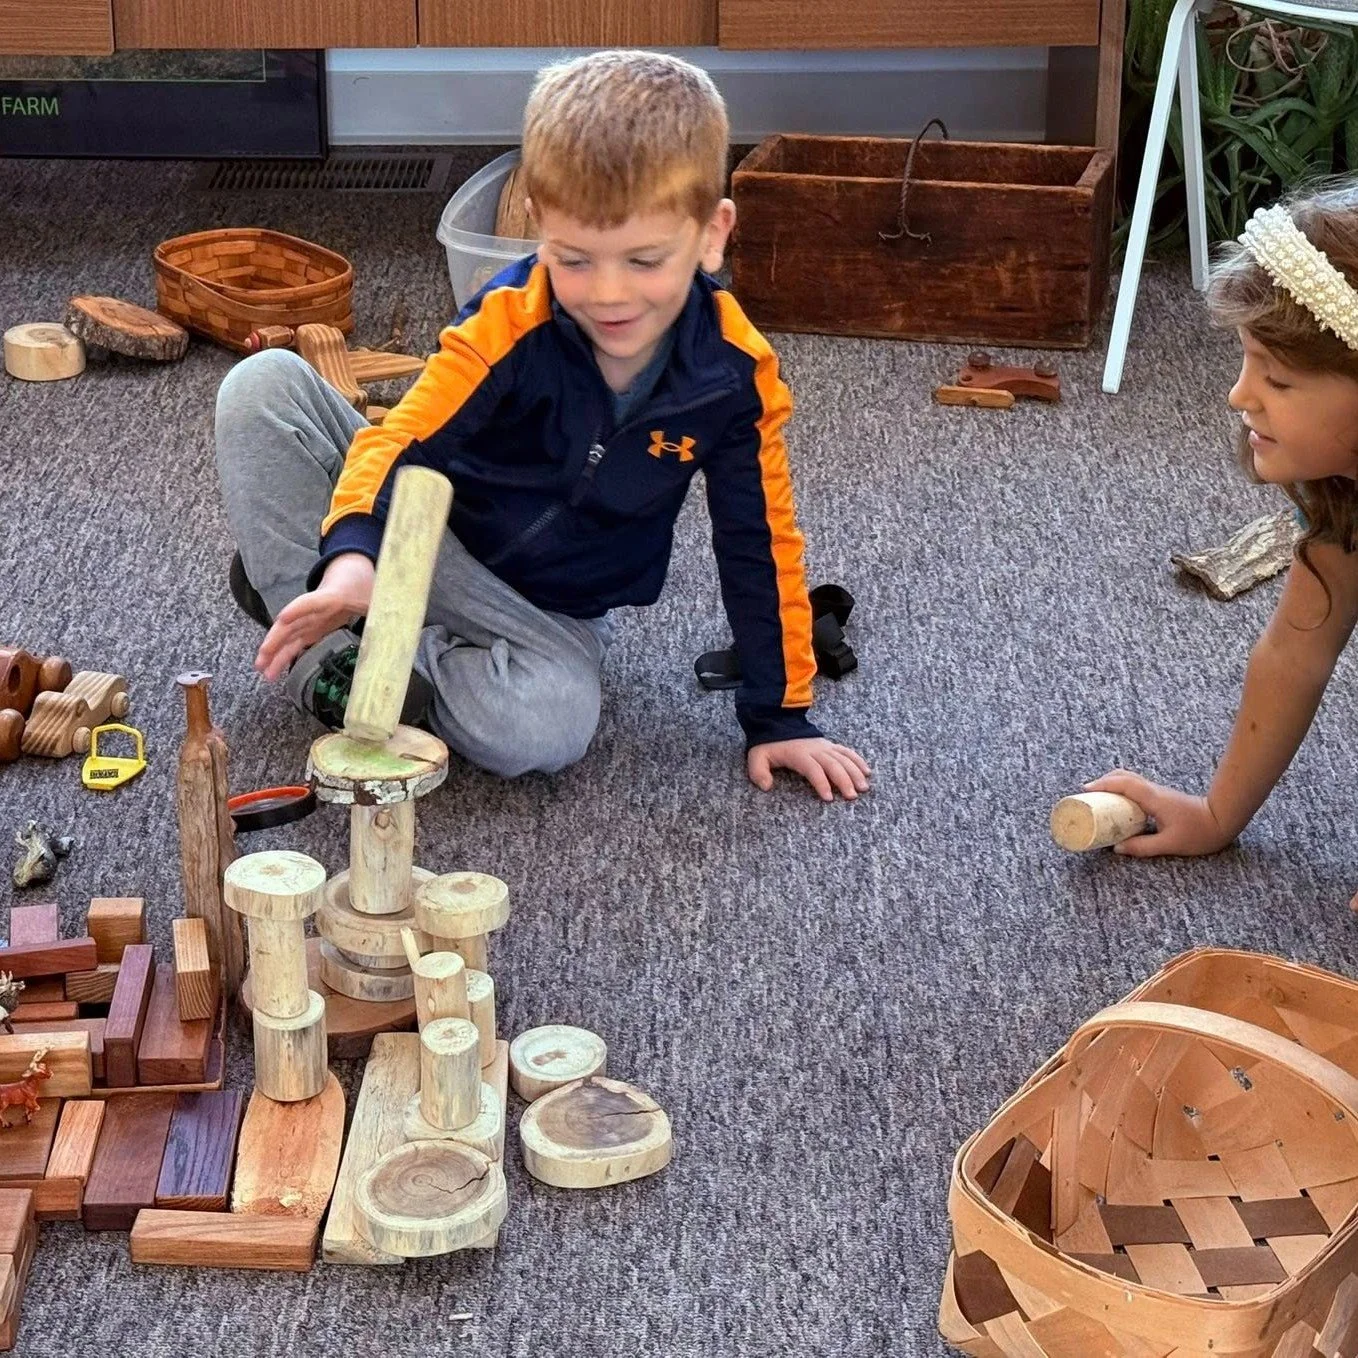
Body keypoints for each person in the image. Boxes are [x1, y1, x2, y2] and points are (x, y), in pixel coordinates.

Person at [215, 49, 869, 802]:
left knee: (549, 727)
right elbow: (403, 437)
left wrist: (780, 715)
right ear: (540, 231)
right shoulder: (508, 319)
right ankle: (330, 632)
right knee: (261, 386)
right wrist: (359, 557)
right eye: (575, 260)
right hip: (428, 534)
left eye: (646, 259)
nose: (610, 294)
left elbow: (761, 543)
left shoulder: (734, 378)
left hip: (544, 614)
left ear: (712, 235)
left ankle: (355, 628)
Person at [1089, 182, 1358, 855]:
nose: (1240, 395)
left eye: (1279, 379)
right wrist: (1216, 815)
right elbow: (1295, 653)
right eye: (1247, 362)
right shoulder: (1342, 498)